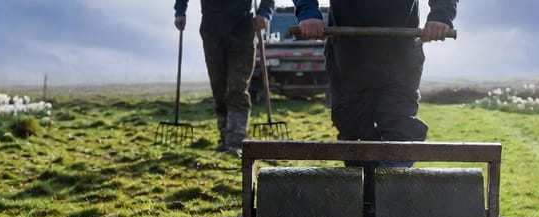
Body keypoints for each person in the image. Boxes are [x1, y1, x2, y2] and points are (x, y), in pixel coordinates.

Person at [291, 0, 455, 147]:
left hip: (400, 56)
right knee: (354, 136)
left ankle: (390, 176)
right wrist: (308, 11)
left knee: (400, 130)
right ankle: (369, 178)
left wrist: (440, 15)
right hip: (348, 56)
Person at [174, 0, 275, 155]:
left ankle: (236, 142)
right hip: (212, 29)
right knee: (219, 89)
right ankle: (224, 137)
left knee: (237, 86)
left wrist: (264, 13)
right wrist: (180, 12)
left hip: (242, 29)